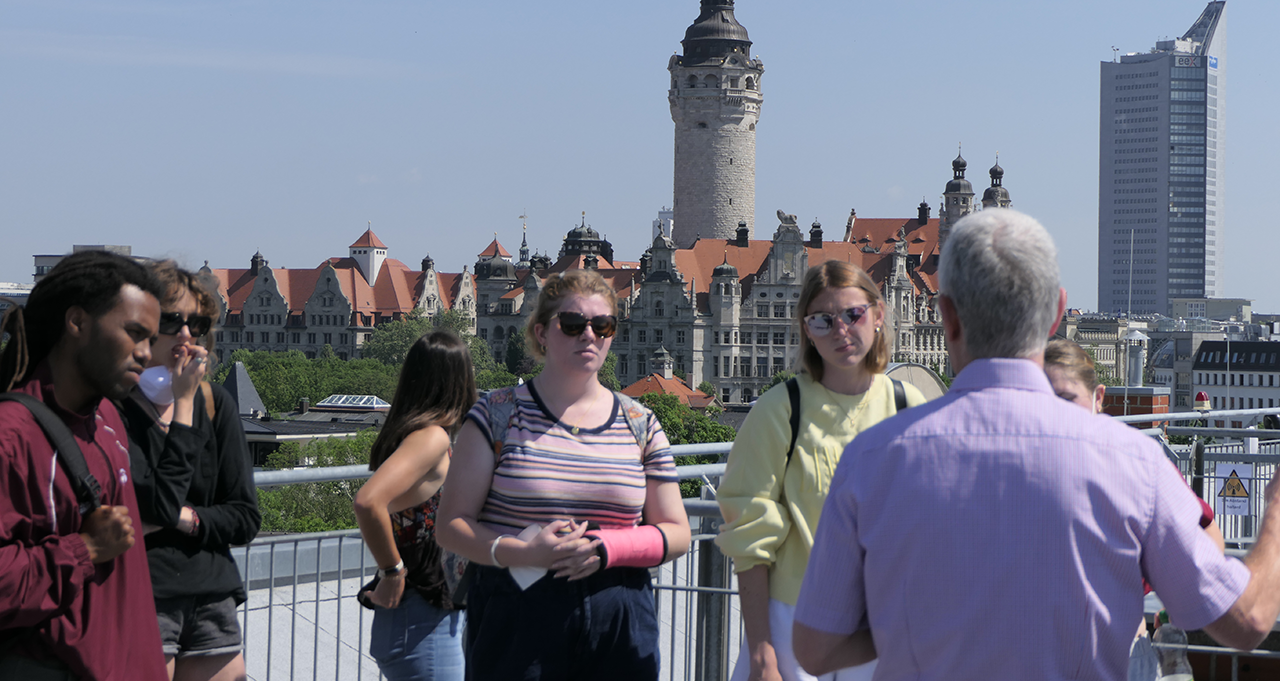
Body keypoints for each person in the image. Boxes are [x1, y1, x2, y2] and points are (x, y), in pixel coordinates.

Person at [793, 209, 1280, 680]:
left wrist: (928, 626)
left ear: (947, 317)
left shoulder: (872, 458)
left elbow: (817, 647)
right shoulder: (1131, 461)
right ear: (1057, 314)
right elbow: (1246, 621)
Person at [437, 270, 691, 680]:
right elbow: (450, 526)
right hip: (519, 608)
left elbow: (677, 531)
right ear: (541, 332)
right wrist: (525, 553)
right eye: (572, 325)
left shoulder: (640, 422)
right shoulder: (496, 414)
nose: (588, 336)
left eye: (602, 325)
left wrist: (606, 546)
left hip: (618, 609)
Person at [716, 261, 926, 681]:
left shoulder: (909, 405)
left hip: (883, 626)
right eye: (822, 320)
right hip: (794, 623)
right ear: (807, 331)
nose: (841, 330)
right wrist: (761, 651)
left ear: (879, 315)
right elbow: (749, 541)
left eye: (853, 314)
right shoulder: (780, 408)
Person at [0, 250, 170, 680]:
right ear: (76, 322)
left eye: (151, 338)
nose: (146, 354)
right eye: (134, 333)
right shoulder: (11, 434)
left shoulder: (107, 419)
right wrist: (85, 550)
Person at [1043, 338, 1225, 681]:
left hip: (1117, 657)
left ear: (1099, 398)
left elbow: (1206, 537)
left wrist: (1177, 603)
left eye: (1067, 400)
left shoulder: (1133, 464)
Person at [118, 262, 260, 681]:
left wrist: (186, 518)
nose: (185, 335)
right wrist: (182, 406)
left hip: (211, 594)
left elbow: (245, 517)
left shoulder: (216, 404)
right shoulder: (114, 409)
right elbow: (151, 500)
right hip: (145, 594)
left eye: (196, 322)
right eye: (171, 321)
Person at [352, 330, 477, 680]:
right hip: (422, 617)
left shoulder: (411, 433)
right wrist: (392, 571)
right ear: (459, 379)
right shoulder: (432, 437)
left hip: (419, 617)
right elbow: (368, 501)